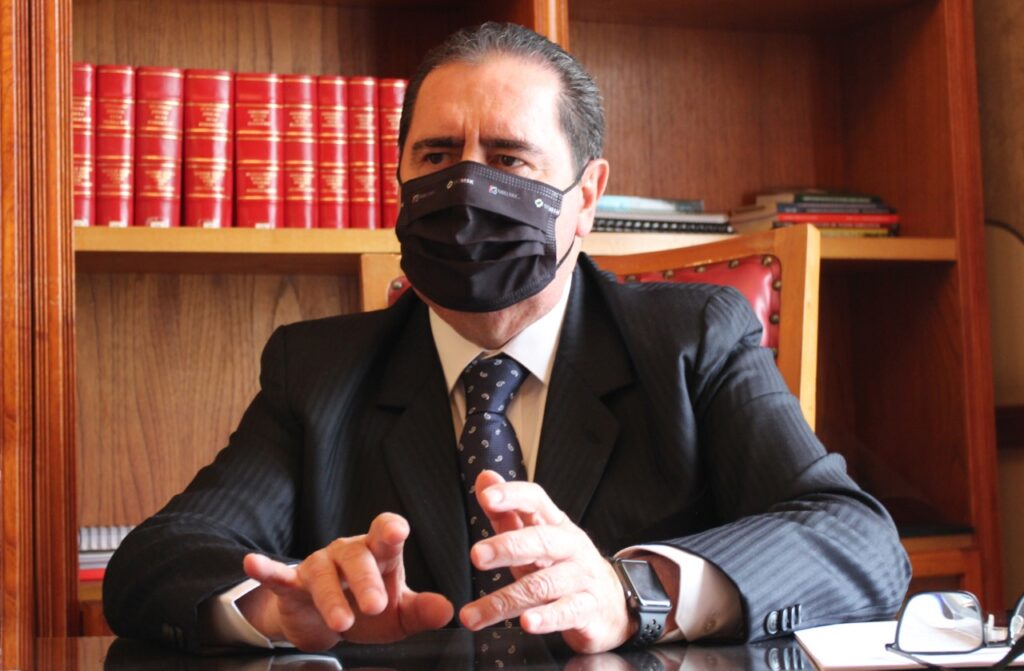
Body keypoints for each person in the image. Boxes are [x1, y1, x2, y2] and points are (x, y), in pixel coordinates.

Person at [103, 22, 911, 656]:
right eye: (436, 154)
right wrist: (275, 609)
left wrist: (635, 592)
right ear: (399, 181)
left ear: (587, 197)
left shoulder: (690, 340)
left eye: (510, 159)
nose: (466, 188)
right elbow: (156, 560)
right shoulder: (318, 371)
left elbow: (859, 541)